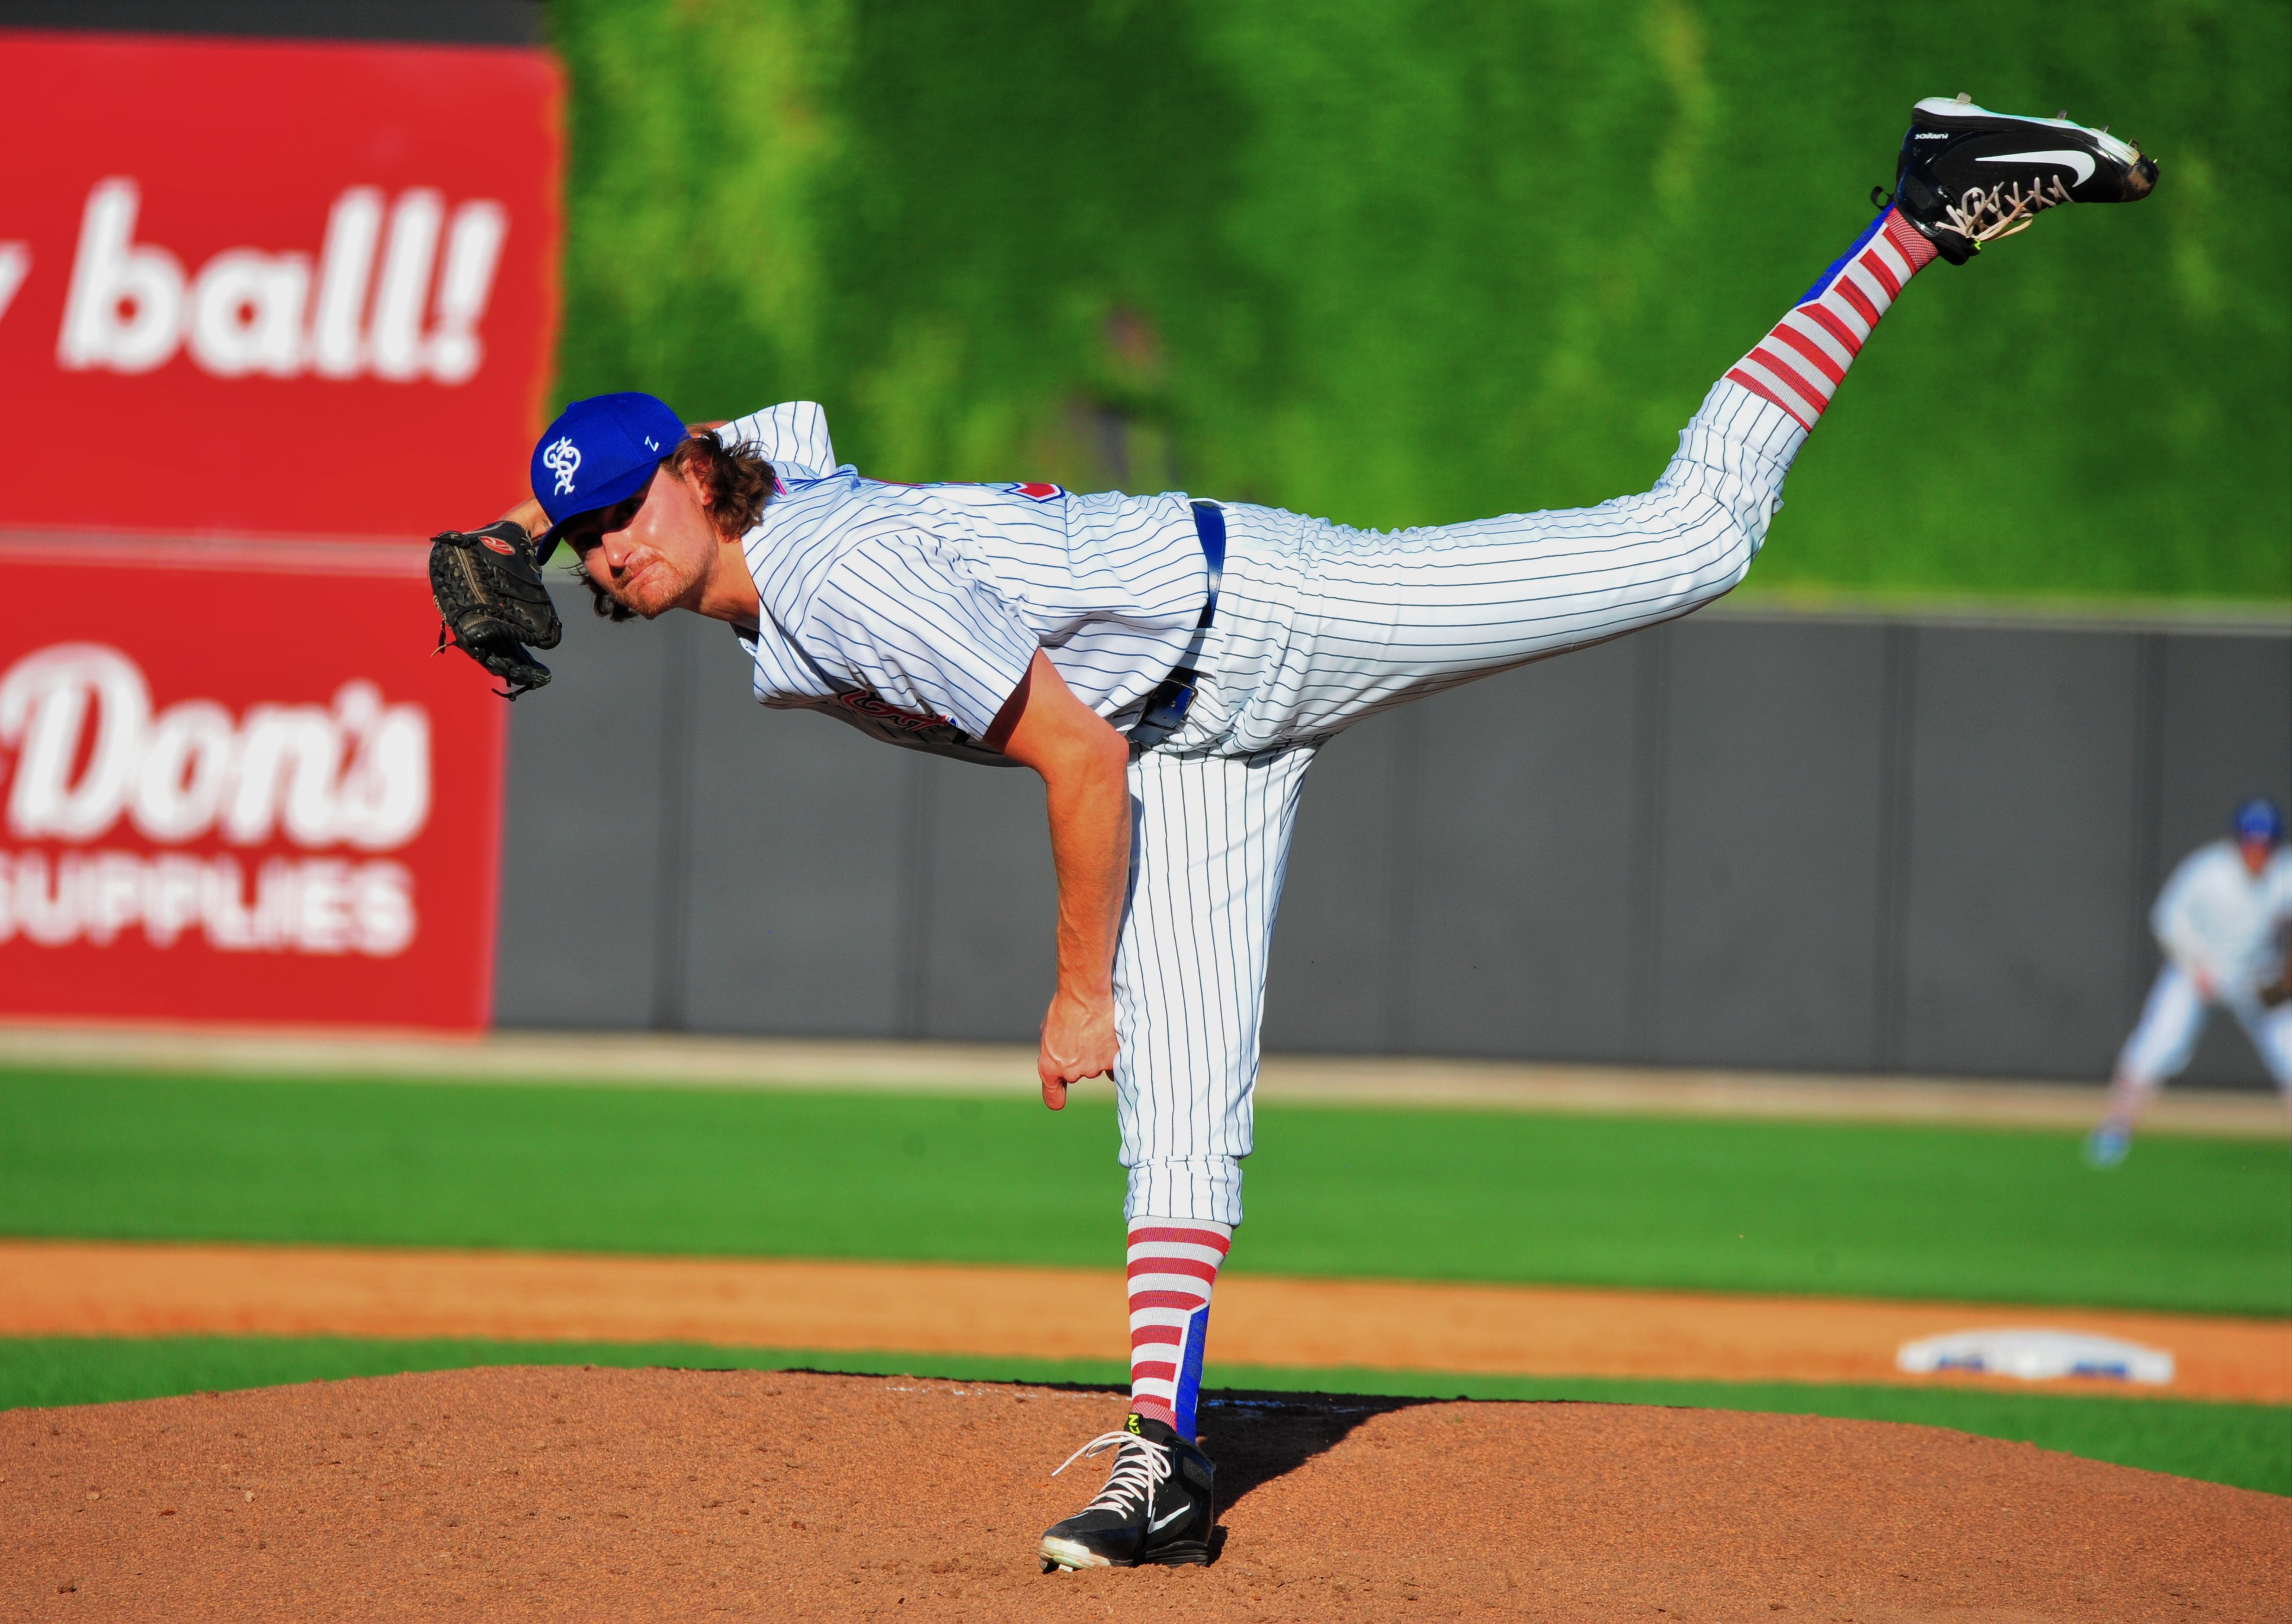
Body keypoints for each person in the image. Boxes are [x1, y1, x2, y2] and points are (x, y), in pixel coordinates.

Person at [435, 97, 2158, 1570]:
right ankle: (1163, 1462)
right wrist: (518, 511)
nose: (602, 557)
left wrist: (1070, 986)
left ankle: (1912, 214)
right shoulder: (754, 487)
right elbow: (747, 436)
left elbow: (1073, 753)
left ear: (687, 477)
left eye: (614, 514)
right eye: (578, 542)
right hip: (1192, 734)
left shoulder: (834, 572)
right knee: (1179, 1116)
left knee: (1688, 536)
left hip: (1262, 619)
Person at [2088, 798, 2292, 1167]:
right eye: (2251, 842)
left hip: (2257, 976)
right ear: (2237, 841)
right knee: (2156, 1044)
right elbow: (2166, 919)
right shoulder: (2209, 870)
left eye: (2265, 844)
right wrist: (2194, 964)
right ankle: (2115, 1128)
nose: (2257, 852)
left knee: (2289, 1049)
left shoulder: (2284, 874)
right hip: (2200, 969)